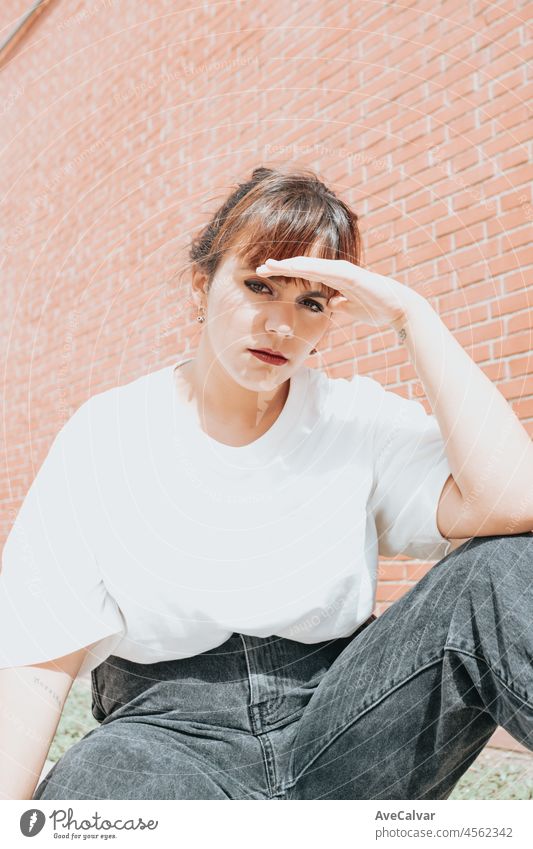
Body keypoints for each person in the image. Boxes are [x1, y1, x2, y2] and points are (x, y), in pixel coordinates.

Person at [1, 165, 532, 801]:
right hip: (170, 738)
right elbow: (36, 660)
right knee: (92, 789)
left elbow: (513, 503)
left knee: (504, 564)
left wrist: (411, 316)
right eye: (260, 286)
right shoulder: (108, 432)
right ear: (203, 285)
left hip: (344, 723)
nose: (284, 326)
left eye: (311, 302)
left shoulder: (356, 417)